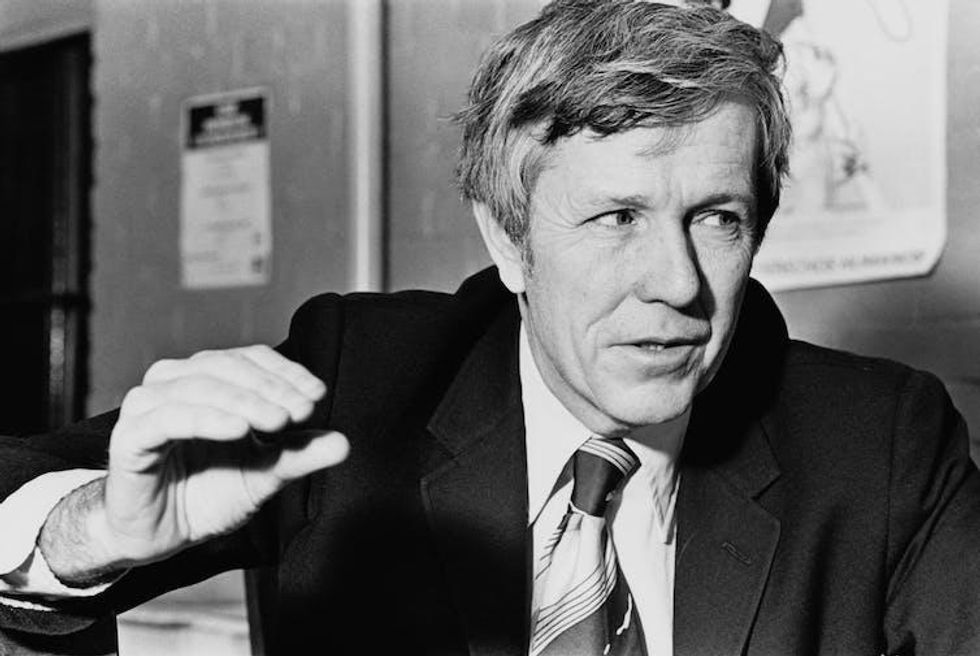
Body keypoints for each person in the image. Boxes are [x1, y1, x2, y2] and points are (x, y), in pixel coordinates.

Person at [2, 1, 979, 654]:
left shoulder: (882, 439)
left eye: (715, 218)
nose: (676, 284)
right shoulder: (365, 378)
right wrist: (96, 528)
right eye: (616, 217)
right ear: (507, 239)